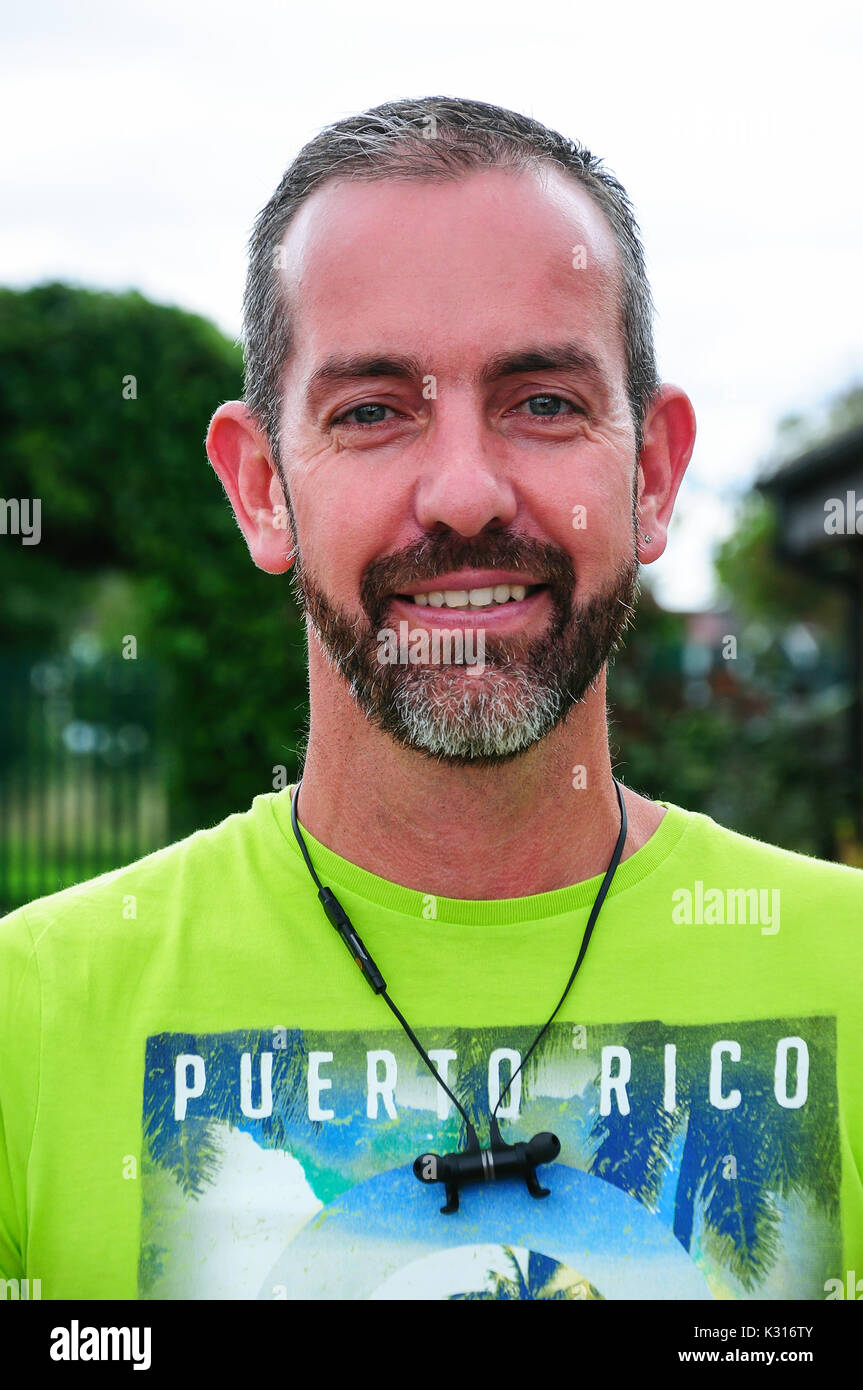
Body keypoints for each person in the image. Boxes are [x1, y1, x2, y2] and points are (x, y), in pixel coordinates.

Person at [1, 96, 861, 1304]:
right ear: (259, 489)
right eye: (370, 413)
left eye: (542, 401)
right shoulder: (28, 1013)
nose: (462, 492)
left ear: (652, 477)